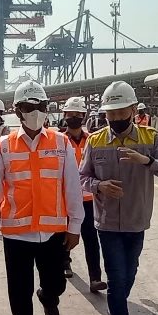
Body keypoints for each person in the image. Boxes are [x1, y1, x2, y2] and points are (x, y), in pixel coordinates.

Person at [0, 80, 84, 315]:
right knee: (18, 293)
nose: (36, 112)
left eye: (41, 106)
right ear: (17, 111)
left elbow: (72, 186)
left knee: (56, 285)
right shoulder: (3, 146)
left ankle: (48, 298)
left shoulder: (61, 143)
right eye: (28, 107)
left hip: (52, 233)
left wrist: (75, 226)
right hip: (16, 235)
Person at [79, 81, 158, 315]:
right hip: (107, 222)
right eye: (111, 113)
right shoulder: (96, 141)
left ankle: (118, 303)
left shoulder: (150, 138)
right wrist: (98, 186)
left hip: (137, 219)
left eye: (121, 112)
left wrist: (147, 160)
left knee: (129, 272)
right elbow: (82, 177)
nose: (115, 118)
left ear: (133, 110)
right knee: (116, 277)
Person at [61, 97, 107, 293]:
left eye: (78, 115)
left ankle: (95, 277)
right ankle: (65, 262)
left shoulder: (92, 140)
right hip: (66, 198)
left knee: (91, 238)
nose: (74, 118)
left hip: (89, 199)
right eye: (70, 115)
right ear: (64, 117)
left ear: (84, 116)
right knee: (65, 235)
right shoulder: (60, 141)